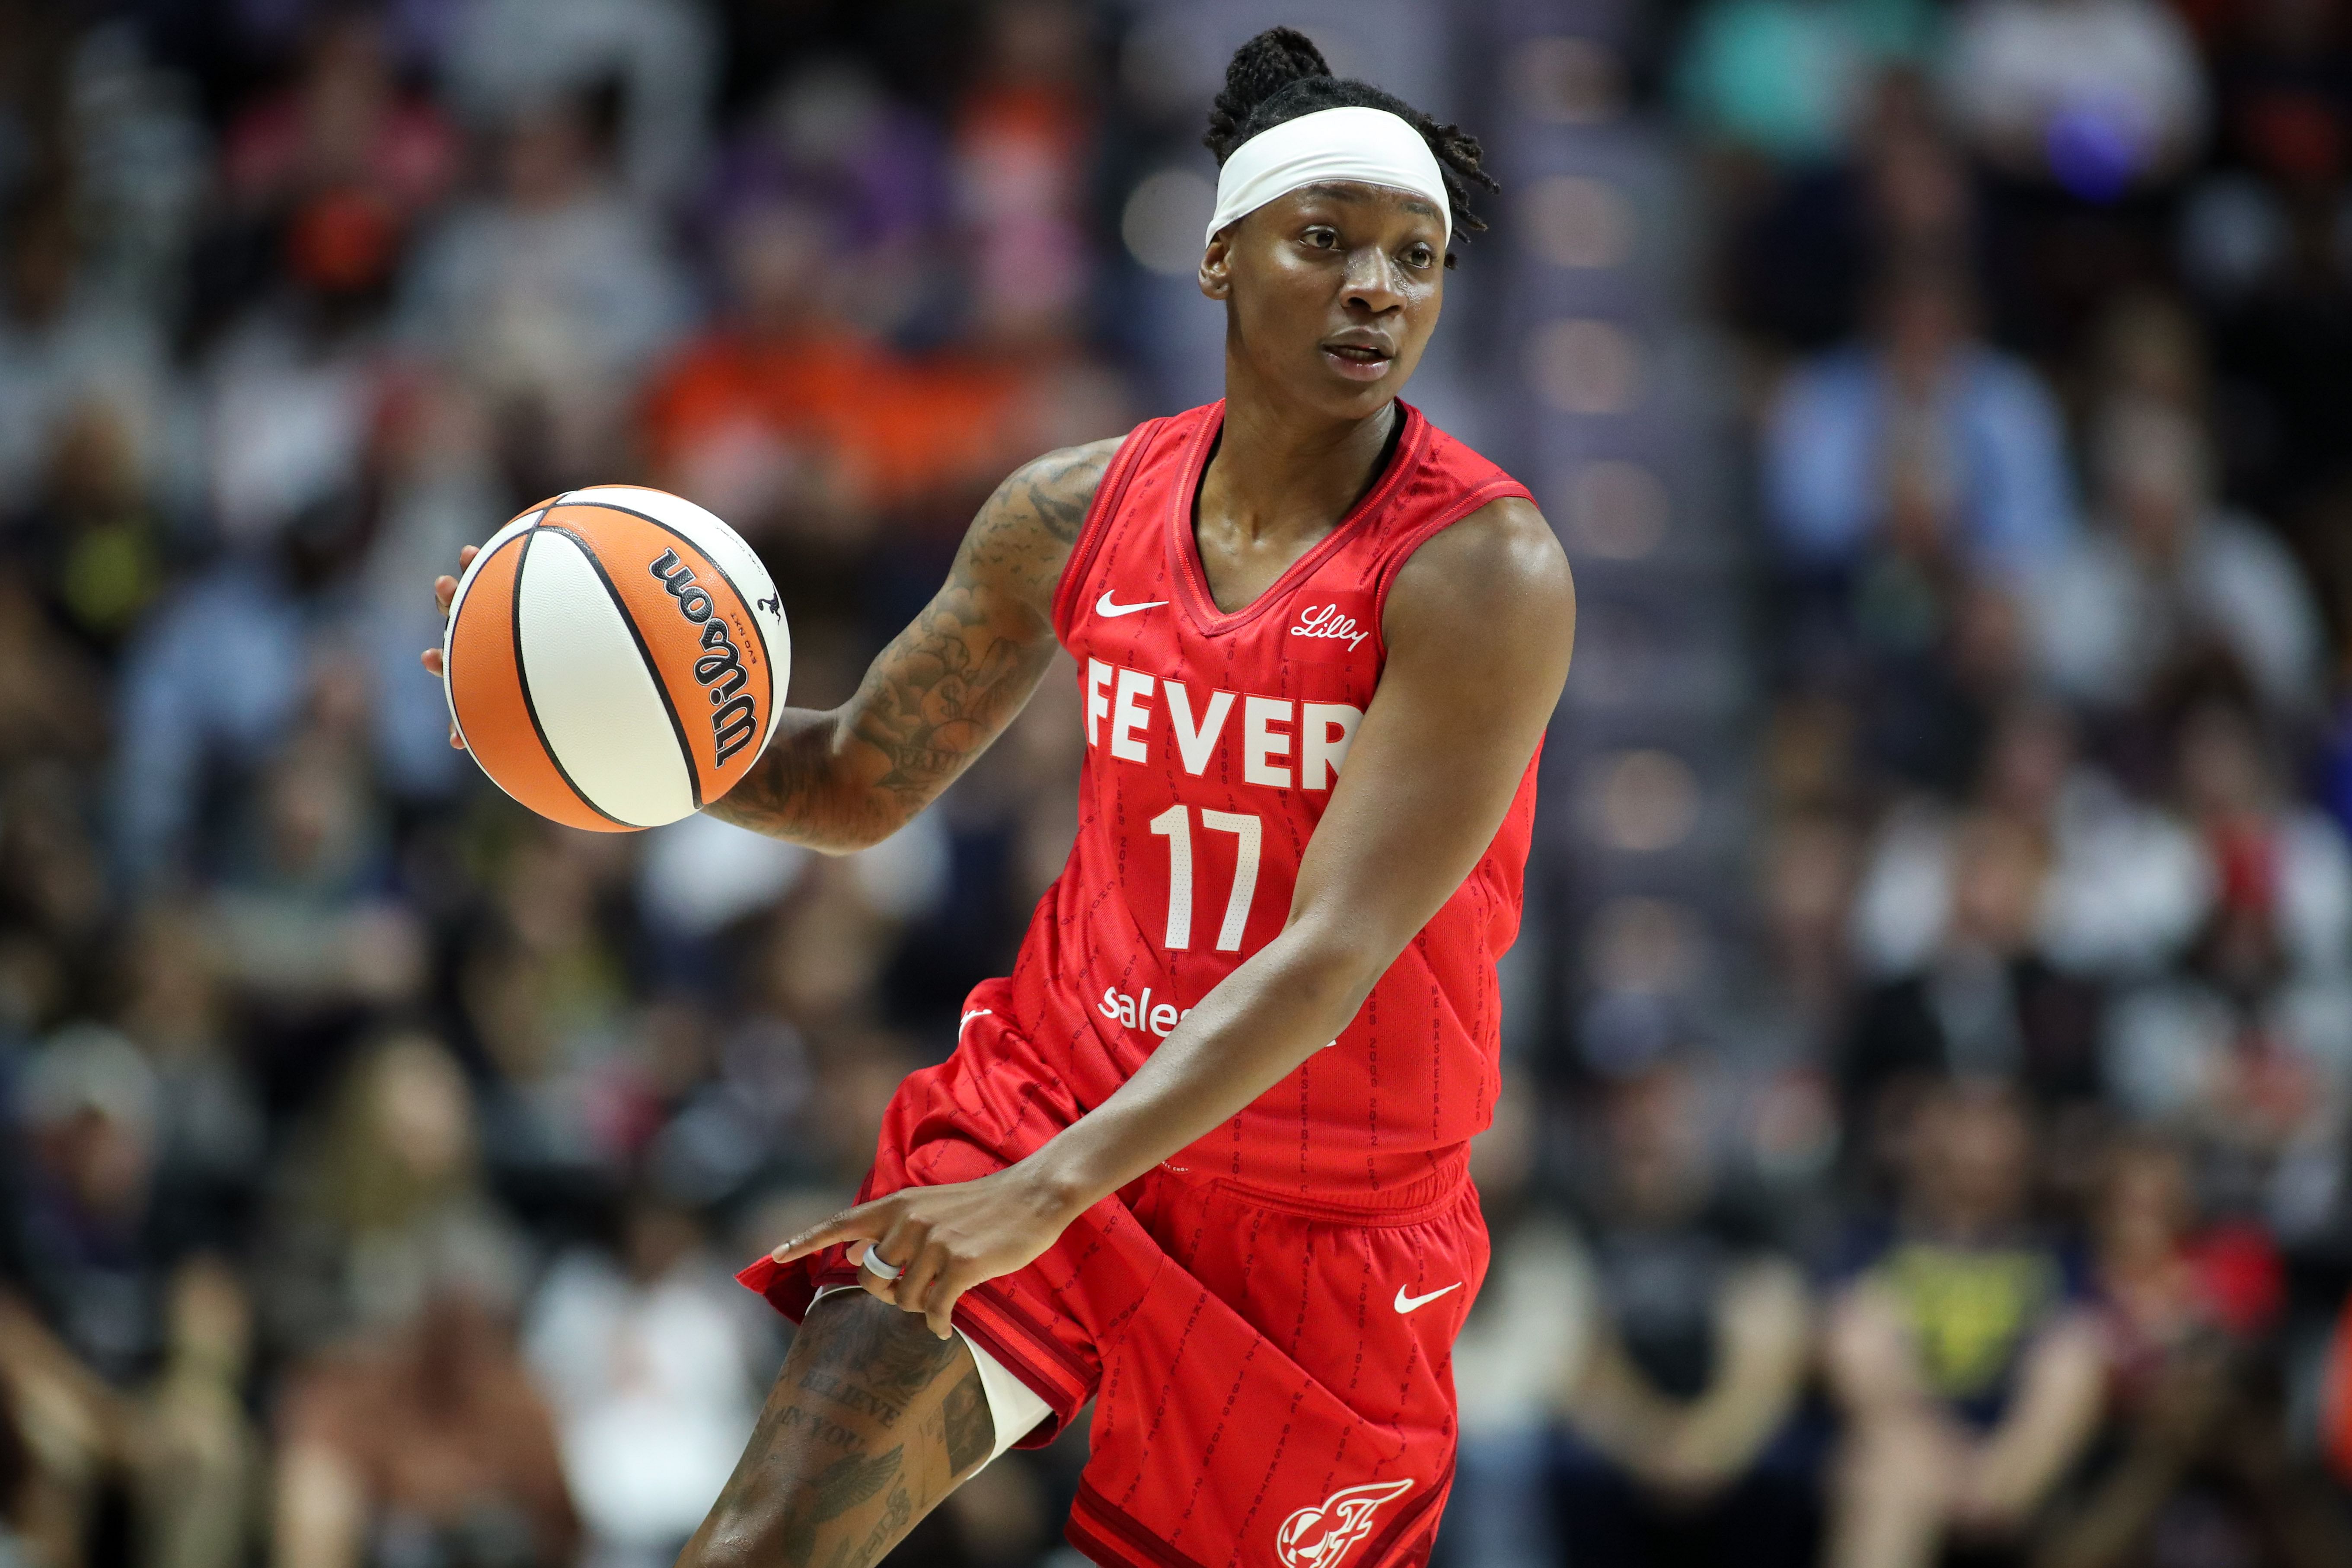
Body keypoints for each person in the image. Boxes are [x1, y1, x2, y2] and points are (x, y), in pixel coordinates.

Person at [421, 25, 1575, 1567]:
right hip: (1054, 1099)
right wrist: (592, 726)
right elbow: (846, 783)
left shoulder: (1482, 571)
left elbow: (1329, 958)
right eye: (1329, 241)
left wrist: (1047, 1189)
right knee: (757, 1544)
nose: (1378, 287)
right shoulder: (1070, 508)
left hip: (1323, 1219)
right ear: (1220, 257)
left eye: (1414, 257)